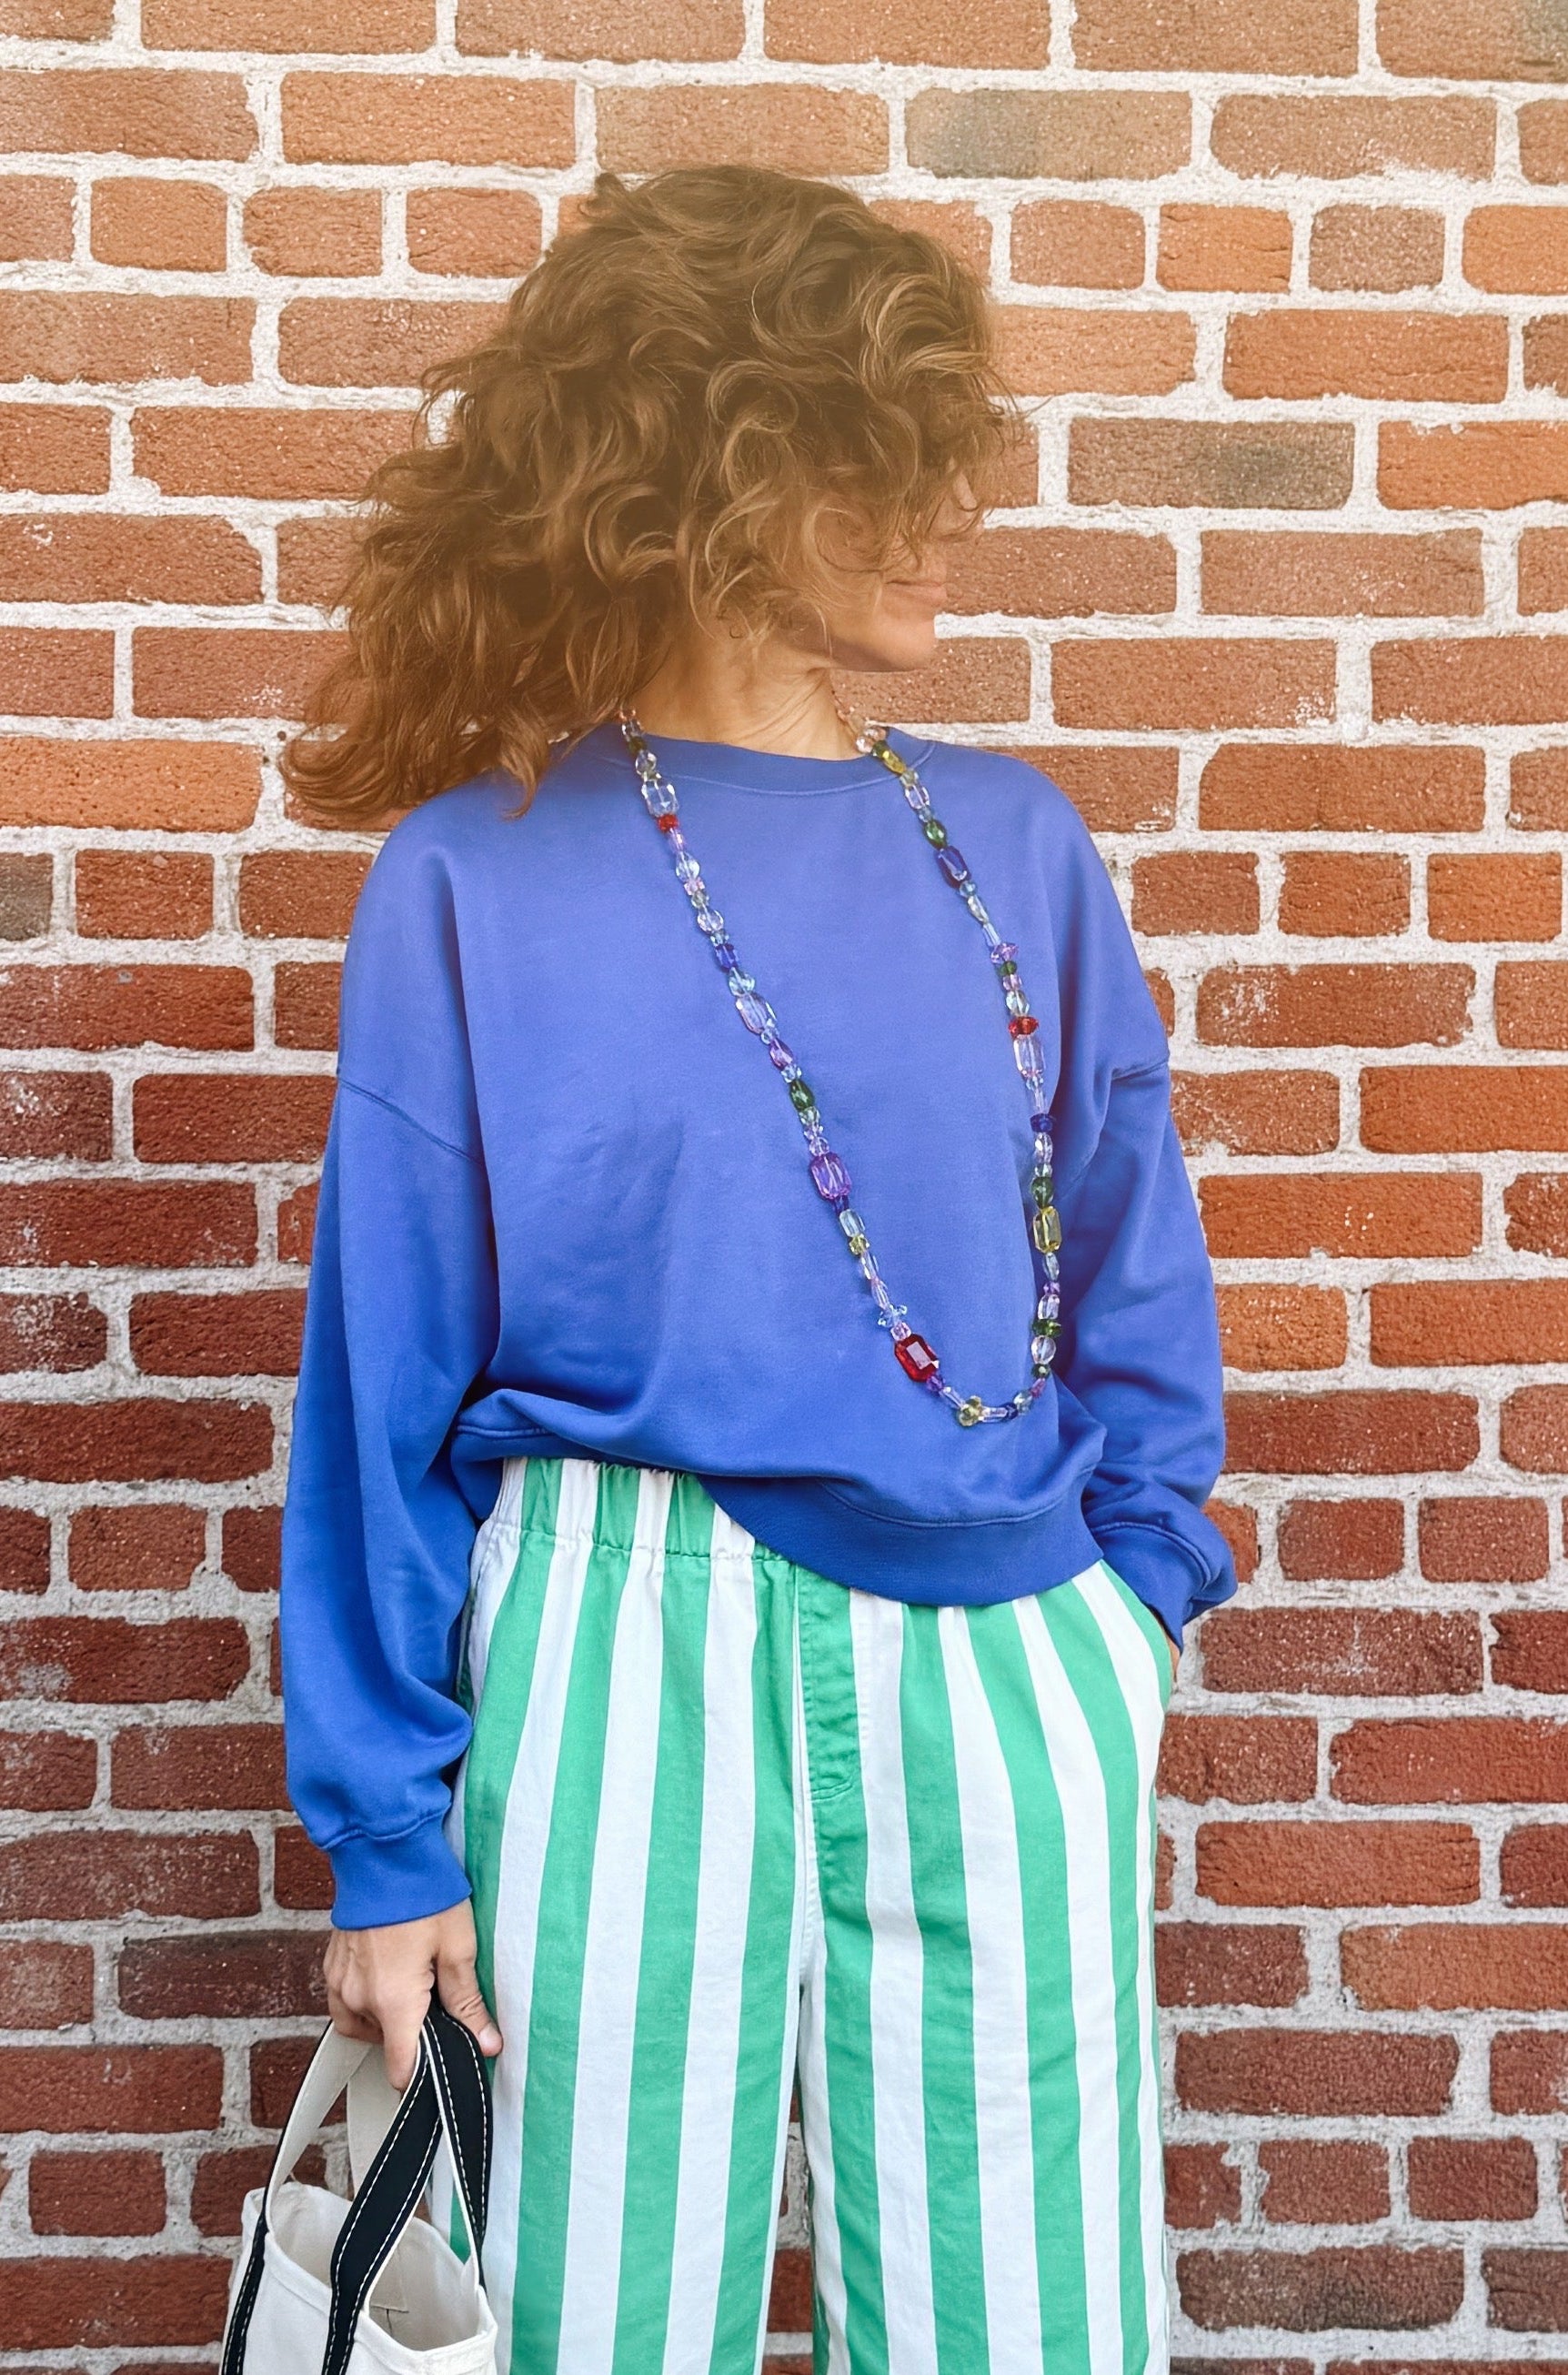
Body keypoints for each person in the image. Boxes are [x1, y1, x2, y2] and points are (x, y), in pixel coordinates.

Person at [278, 162, 1236, 2375]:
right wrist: (385, 1836)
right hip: (619, 1650)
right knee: (589, 2325)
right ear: (710, 471)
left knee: (1038, 2327)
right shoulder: (471, 881)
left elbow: (1129, 1256)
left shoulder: (1015, 847)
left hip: (1010, 1659)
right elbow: (379, 1379)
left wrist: (1129, 1608)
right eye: (875, 456)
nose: (942, 513)